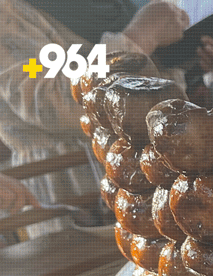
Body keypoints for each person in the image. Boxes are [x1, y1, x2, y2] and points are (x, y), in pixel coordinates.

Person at [0, 0, 188, 211]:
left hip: (152, 170)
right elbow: (49, 100)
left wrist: (177, 55)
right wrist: (138, 38)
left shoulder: (118, 6)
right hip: (73, 187)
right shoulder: (7, 13)